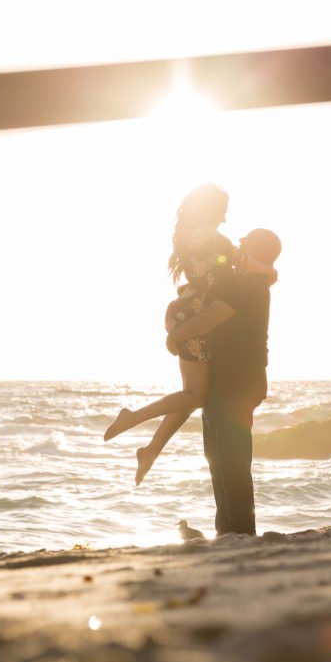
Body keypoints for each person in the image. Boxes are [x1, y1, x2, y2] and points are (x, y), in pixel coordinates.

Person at [103, 184, 236, 486]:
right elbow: (229, 267)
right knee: (195, 395)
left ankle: (150, 451)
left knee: (190, 396)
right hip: (194, 315)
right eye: (223, 211)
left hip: (191, 311)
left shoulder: (195, 235)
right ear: (211, 209)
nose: (225, 218)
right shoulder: (205, 234)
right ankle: (132, 417)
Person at [165, 228, 281, 536]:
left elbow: (211, 318)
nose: (238, 245)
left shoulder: (247, 286)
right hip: (229, 380)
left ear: (254, 250)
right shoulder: (254, 282)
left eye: (245, 243)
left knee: (231, 464)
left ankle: (240, 532)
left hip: (236, 382)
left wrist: (175, 336)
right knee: (219, 460)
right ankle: (228, 532)